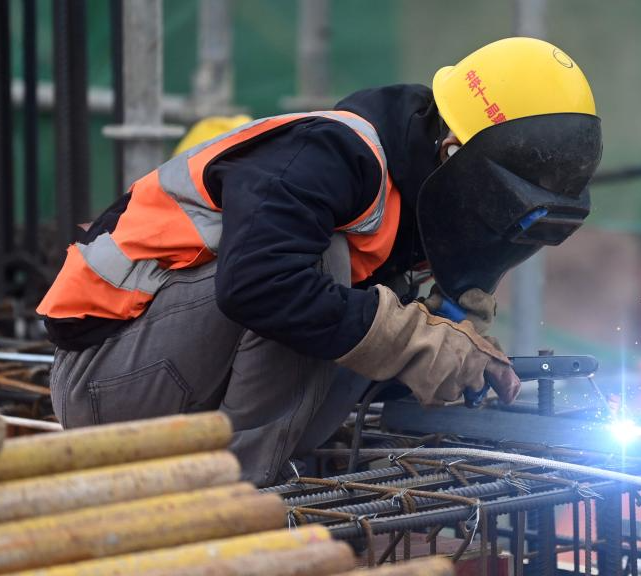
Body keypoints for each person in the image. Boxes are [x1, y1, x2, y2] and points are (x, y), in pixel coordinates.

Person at [37, 37, 603, 487]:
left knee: (366, 306)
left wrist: (455, 348)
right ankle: (238, 492)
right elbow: (259, 286)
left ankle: (270, 467)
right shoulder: (331, 153)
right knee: (320, 267)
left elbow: (366, 334)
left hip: (179, 380)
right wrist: (417, 339)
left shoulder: (415, 203)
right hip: (106, 383)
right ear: (452, 149)